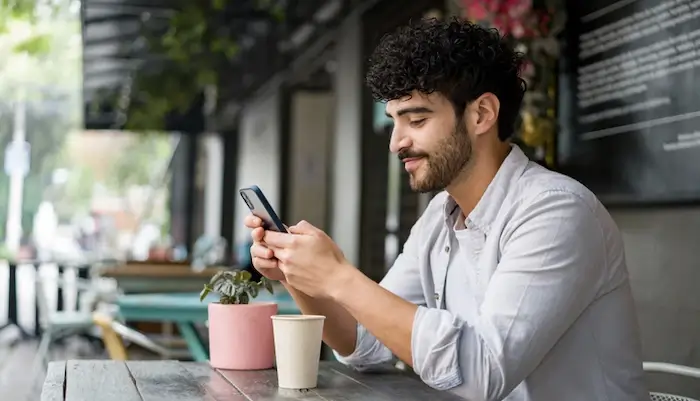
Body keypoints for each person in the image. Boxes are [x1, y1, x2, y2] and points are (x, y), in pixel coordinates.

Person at [245, 18, 650, 401]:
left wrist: (338, 276)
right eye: (394, 123)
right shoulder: (441, 216)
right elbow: (365, 343)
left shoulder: (557, 212)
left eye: (416, 120)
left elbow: (483, 372)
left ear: (481, 114)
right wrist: (299, 275)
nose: (396, 143)